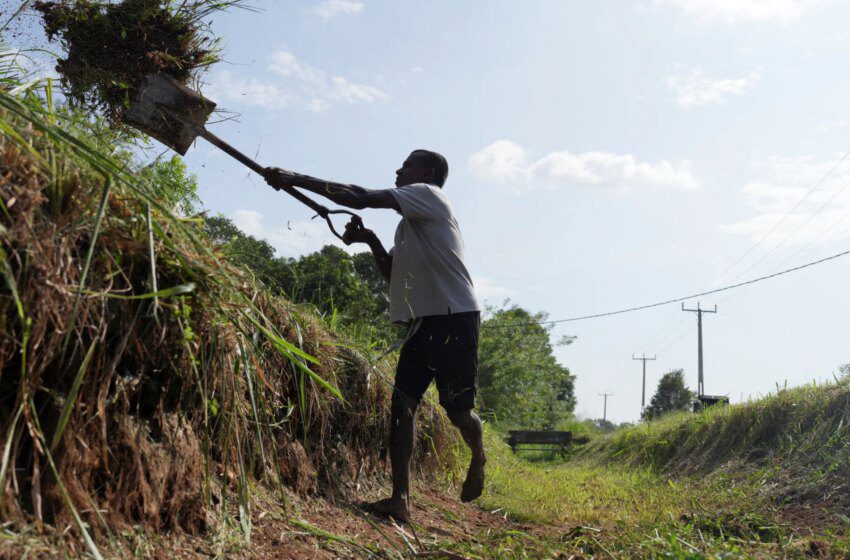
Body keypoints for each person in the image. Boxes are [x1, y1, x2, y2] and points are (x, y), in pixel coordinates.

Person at [264, 150, 485, 522]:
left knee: (458, 410)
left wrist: (294, 177)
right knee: (402, 407)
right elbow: (391, 272)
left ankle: (478, 455)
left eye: (408, 164)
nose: (399, 169)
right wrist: (369, 240)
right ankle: (400, 500)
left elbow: (358, 196)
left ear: (427, 172)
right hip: (422, 324)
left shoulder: (429, 196)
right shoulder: (410, 223)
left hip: (454, 317)